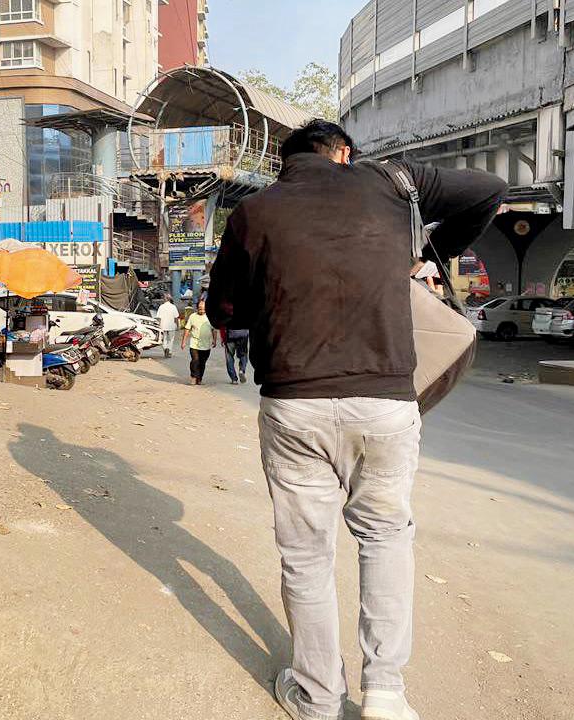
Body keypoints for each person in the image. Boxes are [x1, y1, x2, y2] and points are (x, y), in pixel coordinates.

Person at [207, 119, 506, 720]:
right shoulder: (394, 182)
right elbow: (486, 190)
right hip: (386, 403)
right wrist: (422, 254)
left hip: (295, 404)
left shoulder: (254, 213)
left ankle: (317, 697)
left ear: (286, 162)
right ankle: (386, 694)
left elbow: (223, 309)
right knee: (386, 539)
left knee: (306, 554)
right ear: (343, 153)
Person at [181, 299, 216, 385]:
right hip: (194, 343)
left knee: (202, 362)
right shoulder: (192, 316)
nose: (202, 310)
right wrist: (184, 341)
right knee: (195, 360)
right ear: (197, 308)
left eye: (203, 309)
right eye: (200, 308)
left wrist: (214, 340)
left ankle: (199, 377)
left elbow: (214, 330)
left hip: (206, 345)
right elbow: (187, 329)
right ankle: (193, 377)